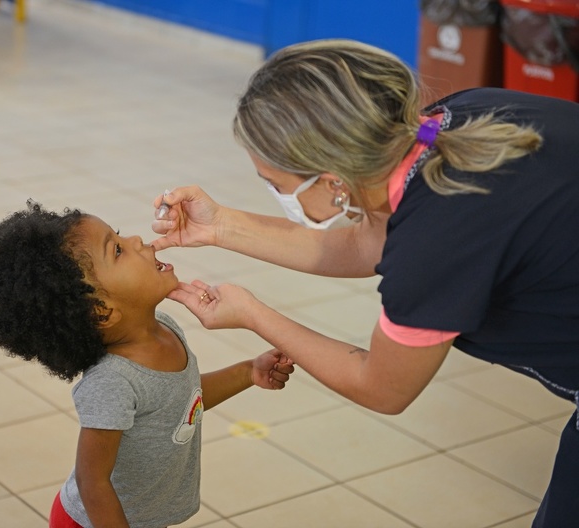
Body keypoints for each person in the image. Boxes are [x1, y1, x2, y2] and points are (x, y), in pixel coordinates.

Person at [150, 39, 579, 528]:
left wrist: (253, 314)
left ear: (334, 181)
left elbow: (382, 387)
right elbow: (365, 244)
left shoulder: (434, 243)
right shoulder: (450, 120)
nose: (273, 193)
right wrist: (220, 226)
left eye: (275, 183)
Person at [0, 200, 294, 528]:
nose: (137, 241)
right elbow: (92, 481)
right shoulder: (114, 382)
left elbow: (180, 401)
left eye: (119, 237)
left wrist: (247, 371)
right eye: (118, 251)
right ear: (101, 310)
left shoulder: (165, 329)